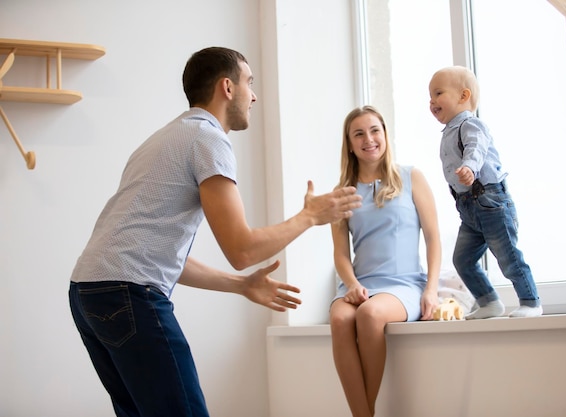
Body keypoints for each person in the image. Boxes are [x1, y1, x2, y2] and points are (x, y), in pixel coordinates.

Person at [68, 46, 362, 417]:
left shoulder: (162, 139)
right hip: (128, 296)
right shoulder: (208, 138)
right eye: (249, 83)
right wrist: (308, 217)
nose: (253, 95)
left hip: (89, 294)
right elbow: (241, 250)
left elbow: (150, 253)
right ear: (227, 87)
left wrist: (241, 285)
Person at [329, 105, 441, 417]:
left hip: (404, 284)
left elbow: (433, 237)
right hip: (358, 285)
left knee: (369, 315)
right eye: (359, 134)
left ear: (385, 135)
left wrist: (431, 290)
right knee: (339, 319)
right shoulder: (341, 193)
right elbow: (340, 253)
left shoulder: (411, 177)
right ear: (350, 143)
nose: (369, 139)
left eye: (375, 130)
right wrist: (351, 285)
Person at [428, 65, 542, 319]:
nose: (432, 101)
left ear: (463, 96)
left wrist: (469, 166)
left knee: (508, 255)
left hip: (490, 201)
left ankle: (531, 301)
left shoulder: (471, 124)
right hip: (469, 209)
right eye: (430, 96)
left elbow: (476, 148)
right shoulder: (448, 130)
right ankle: (489, 301)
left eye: (438, 93)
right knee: (463, 259)